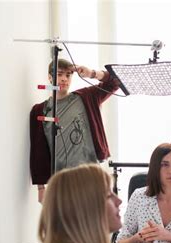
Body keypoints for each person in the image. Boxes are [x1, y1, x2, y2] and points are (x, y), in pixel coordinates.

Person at [30, 58, 120, 203]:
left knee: (93, 223)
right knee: (67, 224)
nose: (64, 79)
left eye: (68, 74)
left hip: (91, 176)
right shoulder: (40, 111)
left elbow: (115, 82)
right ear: (50, 77)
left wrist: (91, 73)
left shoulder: (86, 97)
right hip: (62, 181)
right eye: (59, 74)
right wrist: (41, 188)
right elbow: (38, 151)